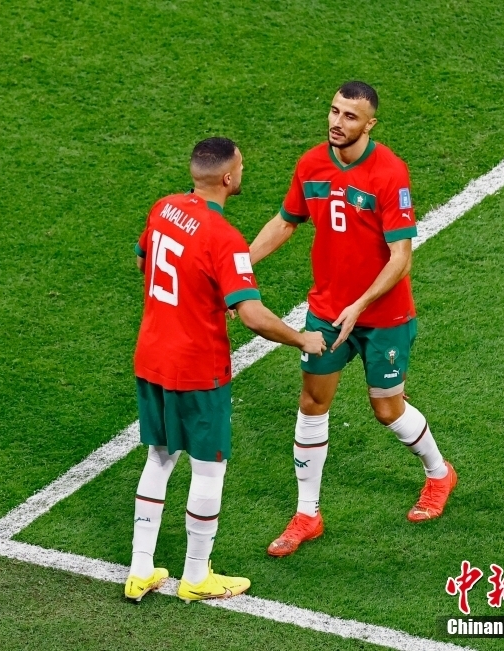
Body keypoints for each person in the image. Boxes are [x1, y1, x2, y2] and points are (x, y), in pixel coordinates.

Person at [248, 81, 457, 558]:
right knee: (312, 402)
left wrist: (359, 305)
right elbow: (286, 221)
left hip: (384, 316)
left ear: (369, 124)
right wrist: (240, 265)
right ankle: (307, 514)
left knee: (387, 410)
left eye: (349, 116)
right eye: (334, 111)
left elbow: (401, 256)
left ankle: (440, 474)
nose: (337, 123)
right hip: (325, 311)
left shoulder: (389, 173)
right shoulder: (311, 164)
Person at [125, 137, 327, 602]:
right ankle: (196, 577)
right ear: (229, 177)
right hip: (197, 367)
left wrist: (196, 295)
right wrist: (302, 338)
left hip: (151, 356)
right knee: (208, 468)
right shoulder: (225, 238)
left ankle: (139, 570)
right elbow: (253, 316)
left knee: (159, 457)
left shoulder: (163, 208)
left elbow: (142, 261)